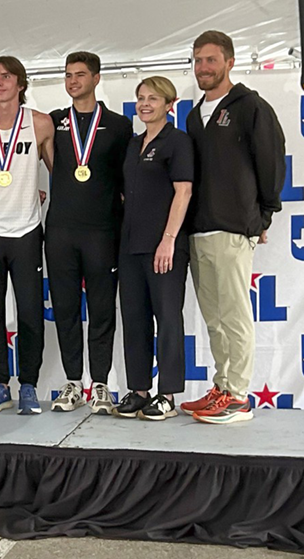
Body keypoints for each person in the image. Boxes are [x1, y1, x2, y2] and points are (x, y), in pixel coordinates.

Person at [181, 30, 286, 424]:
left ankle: (239, 396)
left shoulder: (250, 107)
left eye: (210, 59)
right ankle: (223, 386)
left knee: (235, 314)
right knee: (214, 316)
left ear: (229, 62)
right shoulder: (193, 115)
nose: (203, 67)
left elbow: (272, 162)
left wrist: (263, 215)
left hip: (233, 228)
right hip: (199, 230)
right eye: (197, 60)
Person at [46, 52, 134, 415]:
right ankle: (71, 383)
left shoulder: (118, 125)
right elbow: (13, 128)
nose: (72, 81)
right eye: (68, 75)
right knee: (65, 310)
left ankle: (99, 384)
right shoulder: (53, 121)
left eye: (80, 75)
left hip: (102, 230)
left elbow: (129, 182)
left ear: (96, 79)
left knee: (101, 311)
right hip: (61, 231)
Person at [0, 56, 54, 416]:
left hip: (25, 230)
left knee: (30, 312)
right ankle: (0, 384)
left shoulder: (39, 123)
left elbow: (59, 173)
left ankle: (30, 386)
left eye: (6, 76)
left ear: (21, 83)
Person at [114, 77, 194, 421]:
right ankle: (140, 389)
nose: (145, 104)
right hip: (130, 244)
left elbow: (184, 191)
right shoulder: (134, 144)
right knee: (134, 319)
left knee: (168, 318)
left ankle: (168, 394)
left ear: (169, 104)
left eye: (153, 98)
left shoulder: (177, 142)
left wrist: (169, 239)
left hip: (164, 245)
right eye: (141, 98)